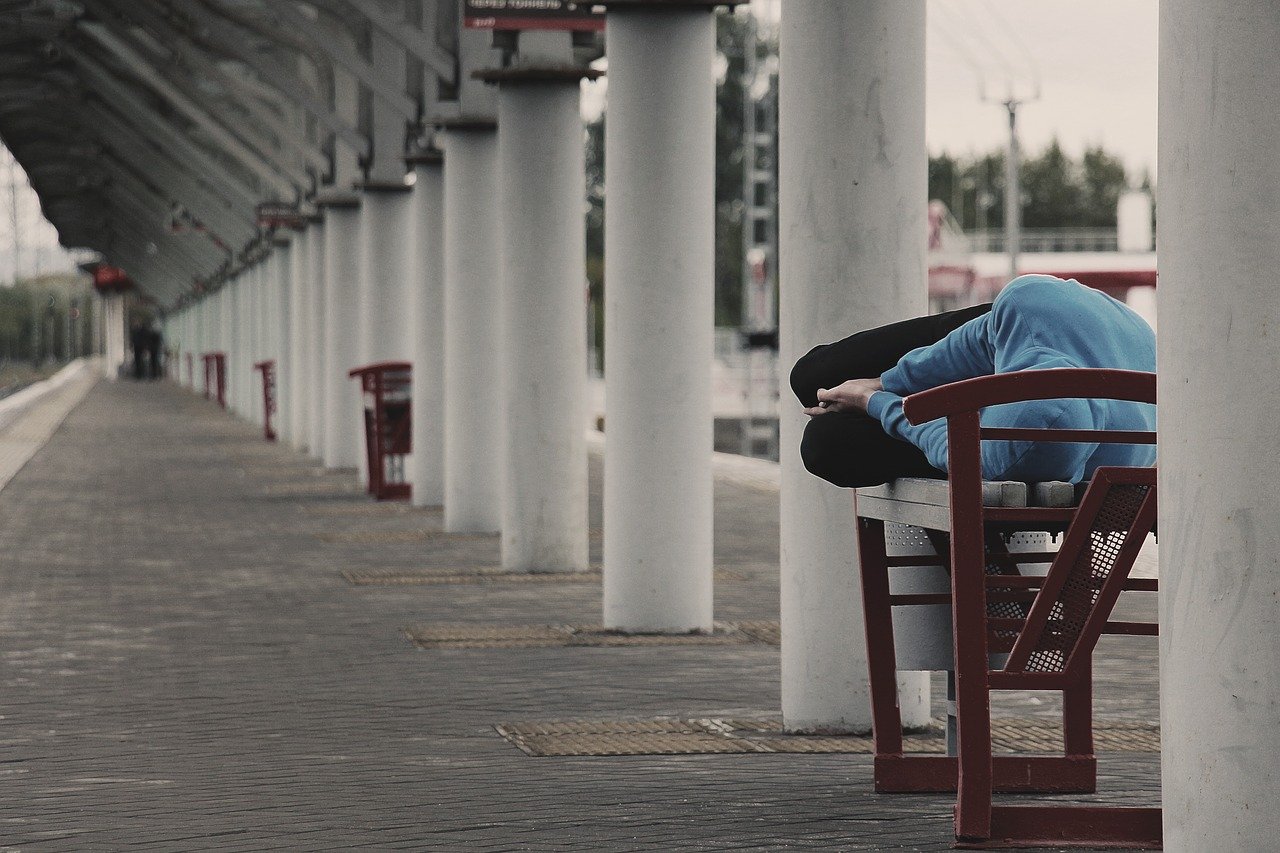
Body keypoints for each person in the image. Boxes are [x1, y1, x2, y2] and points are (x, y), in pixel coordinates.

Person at [791, 275, 1156, 488]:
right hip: (1047, 325)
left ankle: (860, 402)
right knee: (812, 380)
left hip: (1071, 351)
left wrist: (870, 401)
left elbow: (945, 443)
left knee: (825, 442)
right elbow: (966, 348)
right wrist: (884, 383)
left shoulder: (1028, 446)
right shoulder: (1026, 309)